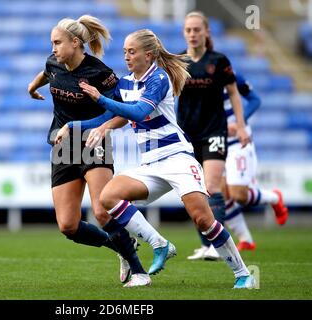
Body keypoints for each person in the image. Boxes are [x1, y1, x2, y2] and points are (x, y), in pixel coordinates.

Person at [56, 29, 256, 289]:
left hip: (177, 158)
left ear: (148, 55)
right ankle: (160, 243)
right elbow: (109, 117)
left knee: (203, 219)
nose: (126, 56)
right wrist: (74, 125)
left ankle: (243, 274)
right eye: (125, 51)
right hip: (151, 163)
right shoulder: (126, 83)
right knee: (108, 198)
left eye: (132, 51)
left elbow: (139, 112)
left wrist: (101, 98)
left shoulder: (159, 78)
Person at [27, 15, 149, 288]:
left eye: (57, 42)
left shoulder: (100, 73)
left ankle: (140, 273)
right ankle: (122, 247)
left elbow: (119, 108)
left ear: (75, 42)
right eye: (51, 43)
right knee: (68, 226)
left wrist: (104, 128)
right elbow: (47, 73)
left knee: (103, 212)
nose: (53, 48)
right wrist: (33, 86)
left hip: (93, 143)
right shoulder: (54, 61)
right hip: (63, 147)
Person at [174, 11, 251, 261]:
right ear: (184, 33)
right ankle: (207, 244)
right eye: (188, 30)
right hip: (187, 133)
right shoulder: (178, 61)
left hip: (214, 130)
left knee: (211, 186)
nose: (193, 34)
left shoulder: (219, 61)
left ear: (206, 32)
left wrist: (239, 126)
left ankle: (216, 245)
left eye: (197, 29)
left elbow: (234, 93)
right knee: (193, 189)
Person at [222, 74, 289, 251]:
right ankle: (246, 239)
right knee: (220, 194)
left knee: (239, 196)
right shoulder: (193, 81)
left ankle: (274, 197)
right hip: (215, 145)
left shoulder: (227, 74)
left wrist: (239, 123)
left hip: (238, 143)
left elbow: (254, 100)